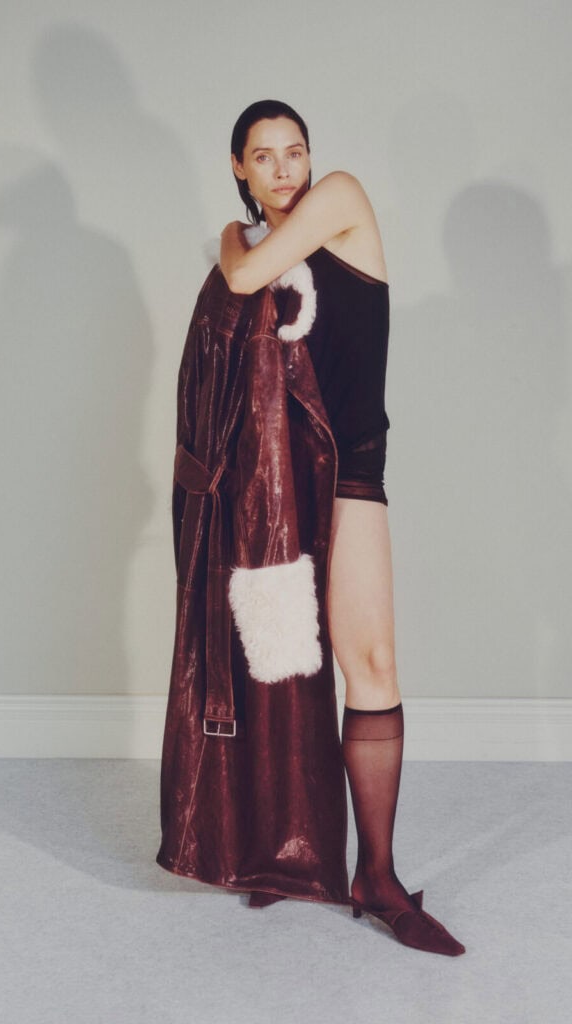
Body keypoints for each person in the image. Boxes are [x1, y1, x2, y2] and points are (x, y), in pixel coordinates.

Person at [156, 99, 465, 957]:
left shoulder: (340, 199)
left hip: (351, 464)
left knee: (369, 663)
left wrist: (229, 232)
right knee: (281, 662)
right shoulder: (264, 237)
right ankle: (282, 855)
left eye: (295, 150)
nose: (286, 168)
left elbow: (245, 275)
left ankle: (378, 876)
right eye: (265, 156)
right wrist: (236, 237)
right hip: (280, 478)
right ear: (240, 166)